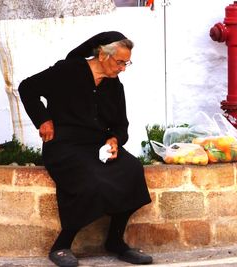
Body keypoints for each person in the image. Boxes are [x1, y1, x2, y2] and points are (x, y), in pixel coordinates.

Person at [18, 31, 153, 267]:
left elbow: (121, 125)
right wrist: (43, 119)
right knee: (91, 180)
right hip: (64, 147)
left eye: (126, 62)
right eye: (119, 62)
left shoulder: (114, 85)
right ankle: (61, 245)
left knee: (132, 170)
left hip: (97, 146)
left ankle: (115, 241)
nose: (123, 68)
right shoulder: (68, 71)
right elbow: (27, 87)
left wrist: (114, 140)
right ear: (102, 55)